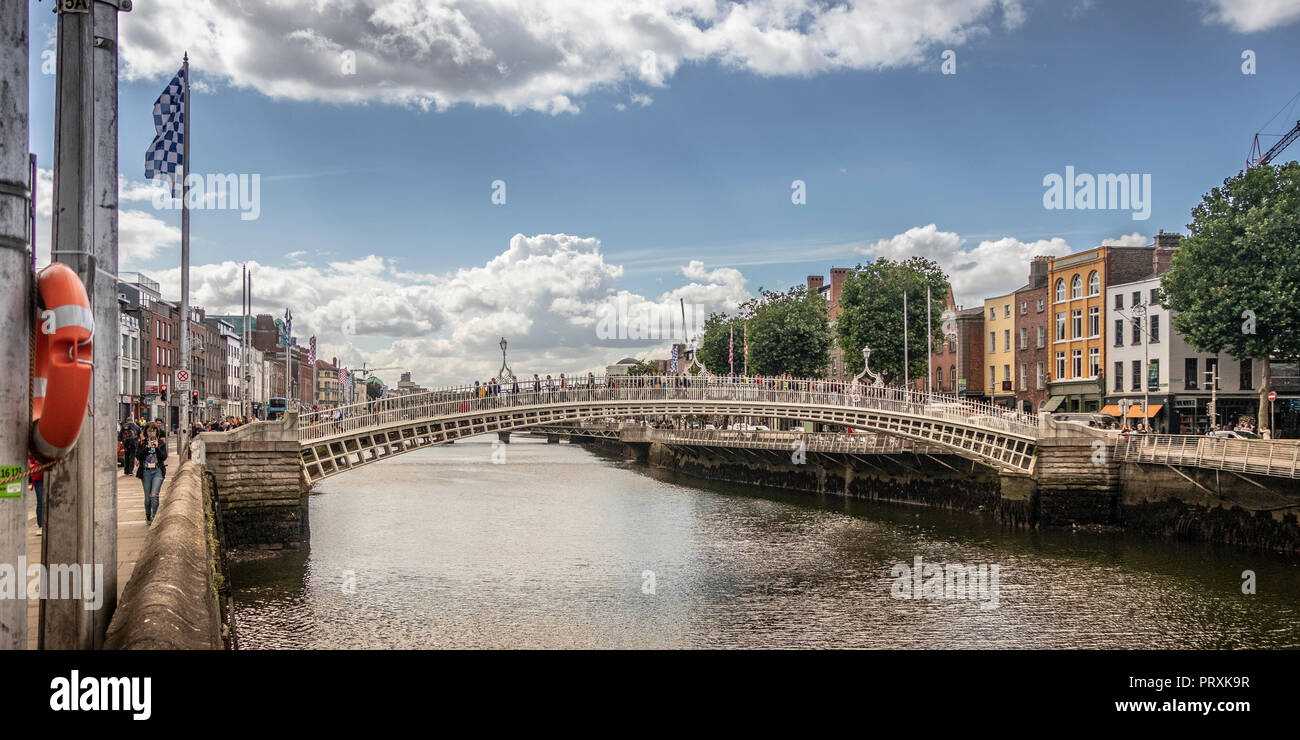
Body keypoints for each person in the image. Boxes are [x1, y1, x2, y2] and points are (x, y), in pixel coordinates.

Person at [136, 424, 168, 525]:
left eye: (154, 431)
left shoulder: (161, 443)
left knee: (154, 494)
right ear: (146, 432)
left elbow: (163, 457)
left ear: (157, 432)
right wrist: (147, 447)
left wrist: (157, 447)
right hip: (146, 472)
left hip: (157, 471)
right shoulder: (142, 443)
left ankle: (155, 517)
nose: (151, 433)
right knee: (147, 498)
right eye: (149, 431)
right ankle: (148, 515)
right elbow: (138, 456)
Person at [28, 453, 44, 534]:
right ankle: (41, 526)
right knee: (40, 502)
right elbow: (30, 461)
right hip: (39, 478)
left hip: (46, 474)